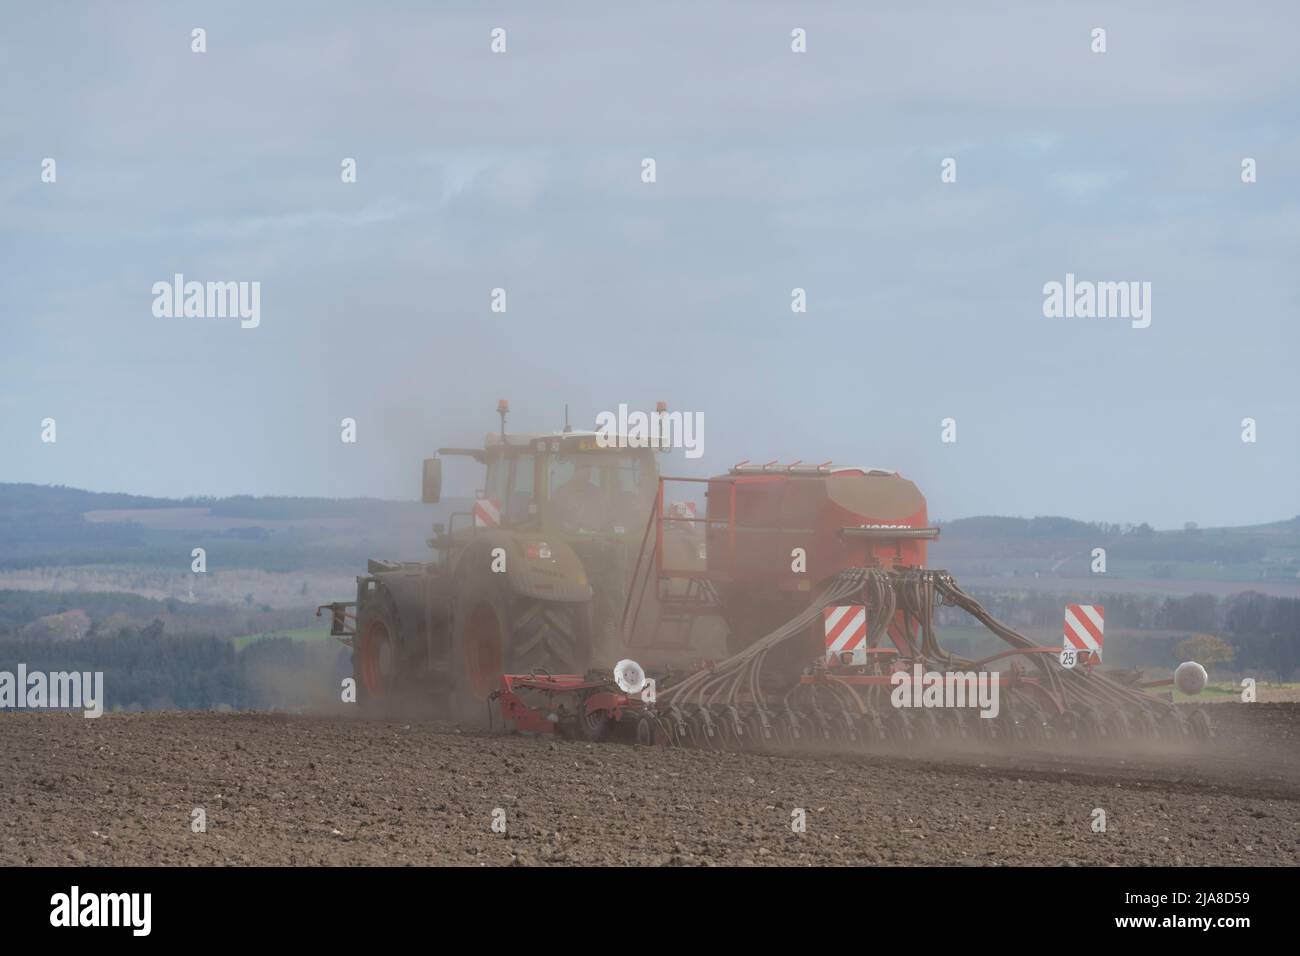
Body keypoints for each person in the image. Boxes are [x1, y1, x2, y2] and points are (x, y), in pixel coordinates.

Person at [550, 461, 603, 531]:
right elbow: (555, 516)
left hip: (593, 533)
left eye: (589, 472)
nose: (588, 474)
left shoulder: (596, 491)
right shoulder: (561, 493)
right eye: (585, 471)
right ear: (576, 472)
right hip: (568, 534)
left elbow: (602, 512)